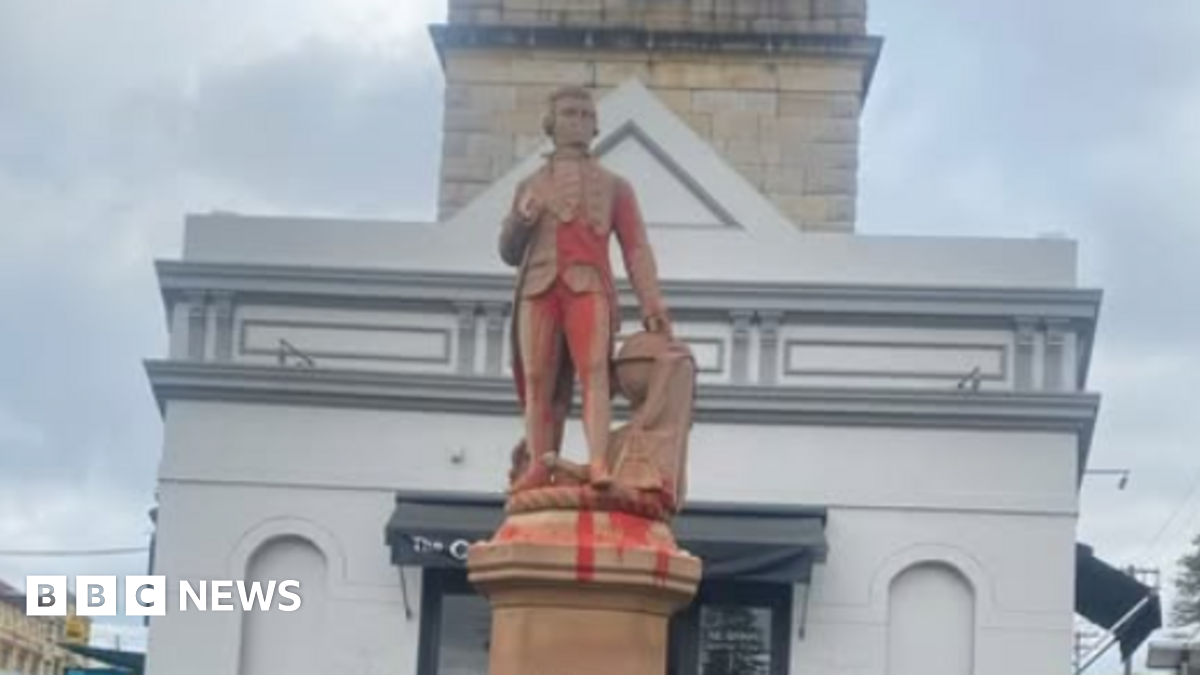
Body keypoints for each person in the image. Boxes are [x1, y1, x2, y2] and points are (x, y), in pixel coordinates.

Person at [499, 85, 671, 493]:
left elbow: (636, 248)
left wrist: (652, 302)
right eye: (568, 114)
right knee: (538, 378)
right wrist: (521, 221)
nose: (577, 122)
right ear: (550, 124)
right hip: (538, 288)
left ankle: (597, 461)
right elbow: (508, 252)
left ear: (595, 127)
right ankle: (541, 463)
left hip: (587, 285)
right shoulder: (529, 185)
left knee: (594, 373)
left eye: (584, 115)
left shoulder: (615, 186)